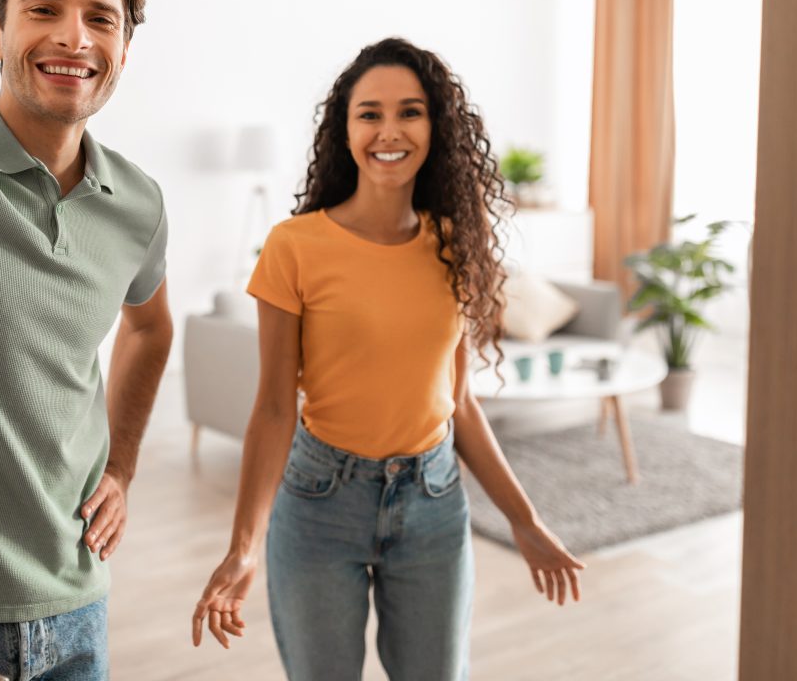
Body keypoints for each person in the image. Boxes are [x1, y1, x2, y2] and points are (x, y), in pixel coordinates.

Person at [190, 38, 585, 680]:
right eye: (370, 113)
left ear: (436, 127)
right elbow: (269, 409)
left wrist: (526, 521)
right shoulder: (294, 246)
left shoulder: (455, 245)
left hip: (433, 503)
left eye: (410, 111)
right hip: (320, 501)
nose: (389, 131)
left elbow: (457, 405)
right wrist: (242, 547)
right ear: (345, 130)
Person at [0, 0, 173, 680]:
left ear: (123, 50)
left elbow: (151, 329)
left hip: (79, 596)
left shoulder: (139, 202)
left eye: (101, 19)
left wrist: (122, 470)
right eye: (44, 9)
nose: (74, 38)